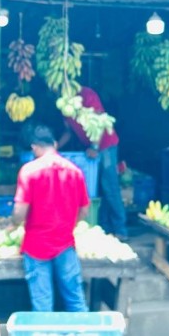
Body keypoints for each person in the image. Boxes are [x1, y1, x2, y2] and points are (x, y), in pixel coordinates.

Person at [12, 125, 90, 313]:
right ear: (55, 144)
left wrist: (13, 224)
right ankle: (83, 332)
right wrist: (70, 225)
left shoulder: (29, 171)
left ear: (34, 147)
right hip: (65, 244)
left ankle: (44, 334)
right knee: (76, 301)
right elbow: (85, 210)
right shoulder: (75, 171)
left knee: (43, 304)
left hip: (36, 245)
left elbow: (19, 212)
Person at [58, 86, 128, 240]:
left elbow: (99, 121)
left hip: (106, 145)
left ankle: (121, 229)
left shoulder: (87, 95)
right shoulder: (65, 105)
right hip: (91, 149)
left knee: (110, 185)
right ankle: (105, 227)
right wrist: (55, 147)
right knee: (99, 188)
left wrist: (95, 146)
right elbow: (68, 132)